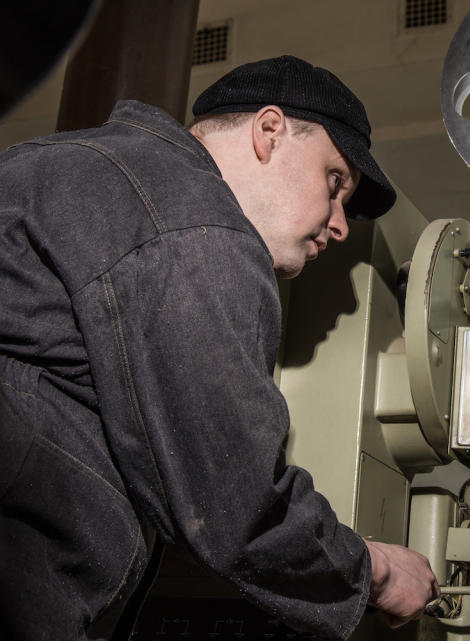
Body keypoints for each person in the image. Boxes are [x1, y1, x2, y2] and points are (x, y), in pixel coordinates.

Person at [0, 55, 439, 640]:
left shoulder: (56, 163)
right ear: (269, 131)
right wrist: (376, 570)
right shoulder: (194, 224)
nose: (339, 225)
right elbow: (233, 506)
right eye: (335, 181)